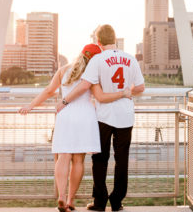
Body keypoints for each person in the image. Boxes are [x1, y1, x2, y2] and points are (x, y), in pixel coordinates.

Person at [19, 43, 131, 212]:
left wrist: (30, 105)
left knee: (63, 156)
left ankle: (61, 196)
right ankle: (71, 200)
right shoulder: (93, 73)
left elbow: (49, 91)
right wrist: (123, 94)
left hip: (65, 115)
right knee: (78, 160)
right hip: (86, 116)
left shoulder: (63, 70)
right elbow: (100, 95)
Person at [56, 25, 145, 212]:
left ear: (98, 42)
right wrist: (126, 92)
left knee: (100, 159)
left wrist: (64, 102)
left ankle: (99, 202)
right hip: (125, 116)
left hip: (104, 116)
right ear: (115, 38)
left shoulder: (98, 59)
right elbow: (140, 88)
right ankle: (117, 201)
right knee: (122, 160)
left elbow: (84, 85)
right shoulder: (130, 58)